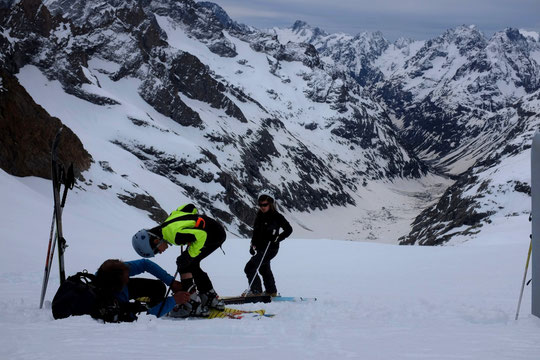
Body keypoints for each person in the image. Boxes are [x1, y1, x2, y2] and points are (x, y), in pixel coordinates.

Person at [131, 204, 226, 317]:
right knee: (190, 263)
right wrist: (192, 225)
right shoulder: (168, 224)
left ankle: (191, 305)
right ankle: (208, 297)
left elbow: (201, 235)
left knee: (184, 264)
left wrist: (189, 254)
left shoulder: (174, 236)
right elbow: (189, 207)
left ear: (156, 241)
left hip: (214, 235)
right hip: (216, 230)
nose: (160, 253)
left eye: (156, 251)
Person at [95, 258, 191, 318]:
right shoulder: (111, 301)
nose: (128, 279)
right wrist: (173, 301)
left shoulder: (117, 269)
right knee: (137, 310)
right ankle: (152, 307)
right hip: (120, 300)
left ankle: (155, 305)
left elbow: (145, 264)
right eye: (126, 279)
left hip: (121, 289)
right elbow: (143, 317)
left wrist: (171, 281)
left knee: (159, 287)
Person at [244, 191, 292, 297]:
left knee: (250, 267)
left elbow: (289, 229)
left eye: (265, 205)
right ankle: (271, 291)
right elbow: (256, 232)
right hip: (261, 248)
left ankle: (256, 292)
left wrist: (278, 238)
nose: (262, 207)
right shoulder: (260, 216)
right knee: (264, 268)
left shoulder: (277, 216)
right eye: (260, 205)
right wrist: (252, 245)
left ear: (270, 204)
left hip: (270, 248)